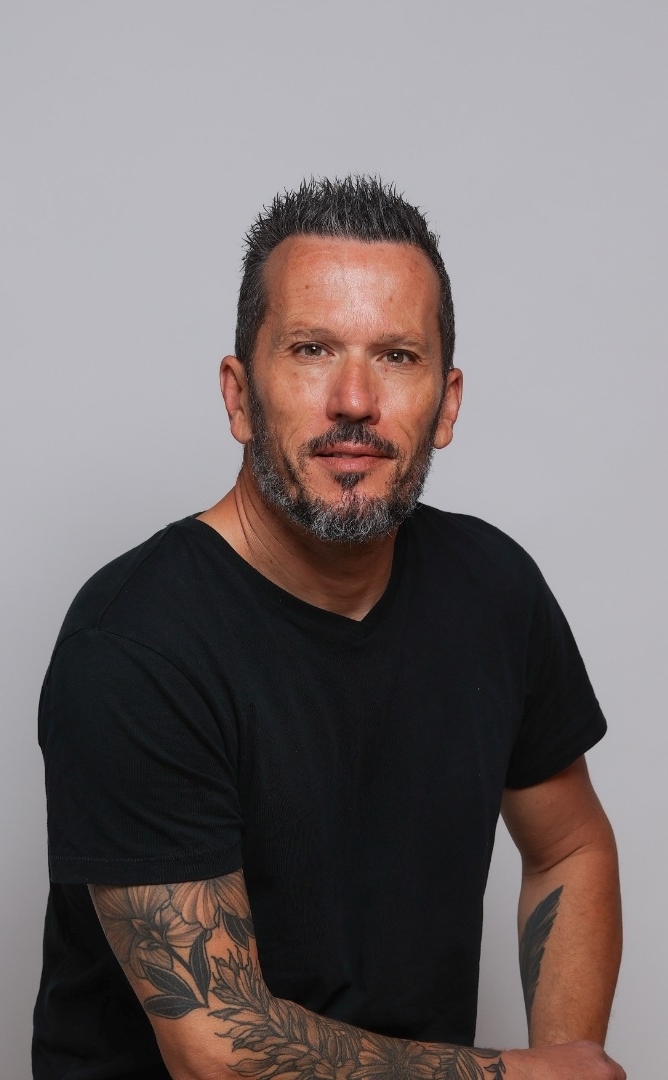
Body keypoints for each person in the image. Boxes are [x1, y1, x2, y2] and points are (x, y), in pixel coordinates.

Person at [33, 177, 625, 1080]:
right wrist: (513, 1077)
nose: (354, 399)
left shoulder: (494, 589)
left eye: (397, 356)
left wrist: (567, 1060)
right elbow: (217, 1051)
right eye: (312, 350)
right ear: (239, 395)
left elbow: (570, 848)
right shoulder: (133, 648)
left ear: (447, 404)